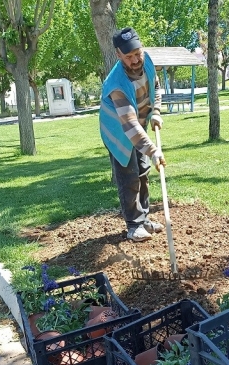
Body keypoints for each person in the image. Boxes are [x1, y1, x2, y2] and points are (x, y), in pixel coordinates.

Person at [99, 27, 166, 242]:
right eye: (129, 57)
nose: (136, 59)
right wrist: (154, 151)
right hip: (119, 132)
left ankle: (143, 219)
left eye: (138, 53)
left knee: (143, 172)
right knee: (129, 175)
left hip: (139, 125)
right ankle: (133, 225)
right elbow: (129, 126)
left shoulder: (147, 62)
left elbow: (156, 86)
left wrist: (155, 111)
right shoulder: (116, 83)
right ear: (118, 56)